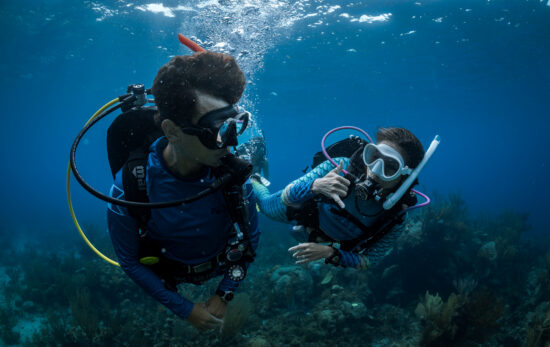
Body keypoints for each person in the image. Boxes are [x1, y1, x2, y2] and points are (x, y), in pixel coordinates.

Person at [106, 51, 260, 331]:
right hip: (170, 269)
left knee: (256, 173)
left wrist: (226, 292)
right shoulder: (129, 185)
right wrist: (184, 308)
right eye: (214, 129)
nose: (229, 144)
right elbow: (128, 260)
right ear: (172, 131)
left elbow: (252, 238)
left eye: (233, 124)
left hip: (219, 264)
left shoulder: (233, 176)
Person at [252, 127, 429, 270]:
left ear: (405, 176)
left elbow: (369, 261)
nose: (374, 170)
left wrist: (331, 253)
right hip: (302, 214)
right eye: (374, 157)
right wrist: (315, 186)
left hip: (332, 244)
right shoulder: (338, 167)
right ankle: (253, 178)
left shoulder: (397, 216)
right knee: (265, 205)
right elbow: (286, 198)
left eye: (390, 166)